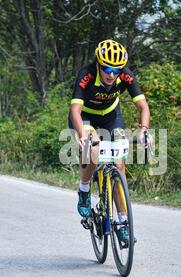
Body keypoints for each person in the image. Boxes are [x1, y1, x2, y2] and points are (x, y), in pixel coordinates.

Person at [68, 39, 151, 243]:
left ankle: (123, 223)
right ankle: (85, 190)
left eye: (115, 69)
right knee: (94, 148)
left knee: (119, 163)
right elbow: (75, 111)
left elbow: (143, 106)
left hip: (111, 116)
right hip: (86, 116)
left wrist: (144, 130)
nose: (111, 74)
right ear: (98, 64)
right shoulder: (86, 74)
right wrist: (81, 134)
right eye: (106, 68)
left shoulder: (125, 74)